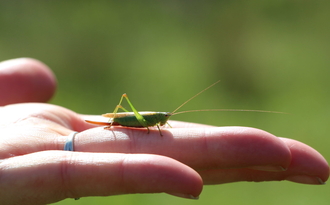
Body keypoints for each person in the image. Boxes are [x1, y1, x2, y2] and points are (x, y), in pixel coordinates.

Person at [0, 58, 328, 205]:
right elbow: (148, 125)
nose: (166, 120)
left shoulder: (160, 121)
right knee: (126, 108)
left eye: (165, 119)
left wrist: (159, 125)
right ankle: (114, 117)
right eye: (165, 118)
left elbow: (158, 124)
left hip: (134, 121)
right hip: (128, 120)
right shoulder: (151, 122)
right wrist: (126, 123)